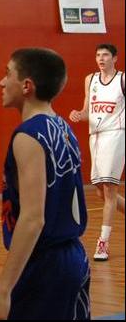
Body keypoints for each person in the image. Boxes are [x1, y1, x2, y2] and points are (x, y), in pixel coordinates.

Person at [0, 48, 89, 320]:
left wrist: (2, 291)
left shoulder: (29, 136)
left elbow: (33, 219)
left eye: (8, 74)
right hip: (72, 258)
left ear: (27, 85)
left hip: (46, 266)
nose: (2, 82)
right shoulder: (63, 127)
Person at [69, 44, 125, 262]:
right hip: (96, 136)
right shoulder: (90, 80)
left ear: (115, 59)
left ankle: (103, 243)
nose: (101, 59)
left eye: (105, 55)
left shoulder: (121, 80)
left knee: (110, 190)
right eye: (98, 55)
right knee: (101, 192)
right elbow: (87, 110)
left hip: (116, 134)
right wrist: (78, 114)